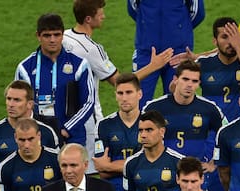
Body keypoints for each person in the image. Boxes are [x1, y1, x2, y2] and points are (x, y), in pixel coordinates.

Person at [63, 0, 173, 174]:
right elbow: (120, 81)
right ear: (89, 19)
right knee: (90, 170)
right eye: (101, 13)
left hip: (64, 115)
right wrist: (154, 65)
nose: (104, 16)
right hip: (87, 120)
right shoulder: (91, 49)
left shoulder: (64, 36)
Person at [143, 59, 227, 191]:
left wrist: (214, 162)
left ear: (199, 83)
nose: (189, 85)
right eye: (185, 79)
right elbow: (141, 138)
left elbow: (228, 135)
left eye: (194, 81)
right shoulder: (155, 108)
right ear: (175, 79)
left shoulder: (210, 109)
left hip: (194, 179)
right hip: (164, 176)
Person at [15, 13, 95, 149]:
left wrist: (67, 129)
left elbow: (88, 102)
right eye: (47, 35)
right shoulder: (25, 68)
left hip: (72, 137)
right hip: (39, 138)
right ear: (38, 36)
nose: (52, 40)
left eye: (57, 35)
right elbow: (19, 104)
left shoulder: (79, 65)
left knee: (72, 170)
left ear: (63, 35)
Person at [127, 0, 205, 108]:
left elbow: (198, 13)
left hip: (178, 53)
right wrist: (148, 26)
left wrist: (179, 29)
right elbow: (133, 8)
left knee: (176, 102)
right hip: (147, 52)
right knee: (137, 101)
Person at [93, 73, 142, 191]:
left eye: (129, 92)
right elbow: (102, 170)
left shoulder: (149, 124)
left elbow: (149, 165)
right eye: (120, 93)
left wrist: (111, 165)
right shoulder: (104, 125)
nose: (124, 98)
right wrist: (136, 163)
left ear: (139, 94)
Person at [197, 17, 240, 122]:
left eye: (233, 36)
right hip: (212, 129)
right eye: (225, 37)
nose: (230, 42)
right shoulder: (203, 64)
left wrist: (239, 48)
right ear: (215, 41)